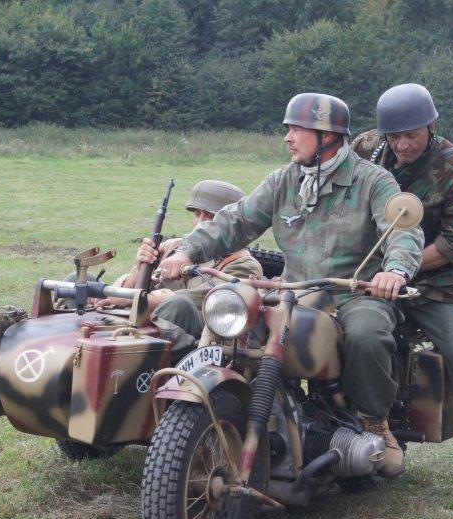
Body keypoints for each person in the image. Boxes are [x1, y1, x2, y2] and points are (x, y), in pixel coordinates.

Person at [158, 92, 424, 478]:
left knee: (367, 334)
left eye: (298, 129)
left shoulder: (372, 180)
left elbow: (402, 231)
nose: (288, 137)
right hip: (294, 292)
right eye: (289, 129)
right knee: (235, 323)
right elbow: (237, 220)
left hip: (354, 292)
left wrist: (394, 271)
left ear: (327, 136)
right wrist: (187, 250)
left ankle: (374, 421)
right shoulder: (285, 180)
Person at [351, 83, 453, 498]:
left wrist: (402, 268)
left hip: (438, 280)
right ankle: (352, 437)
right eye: (394, 136)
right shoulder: (366, 148)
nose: (402, 145)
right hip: (371, 275)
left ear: (432, 126)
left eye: (411, 135)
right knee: (339, 333)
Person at [95, 180, 263, 354]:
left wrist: (134, 299)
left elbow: (198, 302)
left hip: (200, 342)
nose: (200, 223)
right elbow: (123, 291)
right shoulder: (175, 247)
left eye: (210, 217)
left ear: (231, 224)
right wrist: (140, 268)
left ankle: (122, 355)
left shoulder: (243, 265)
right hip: (146, 325)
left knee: (179, 303)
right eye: (197, 214)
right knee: (86, 285)